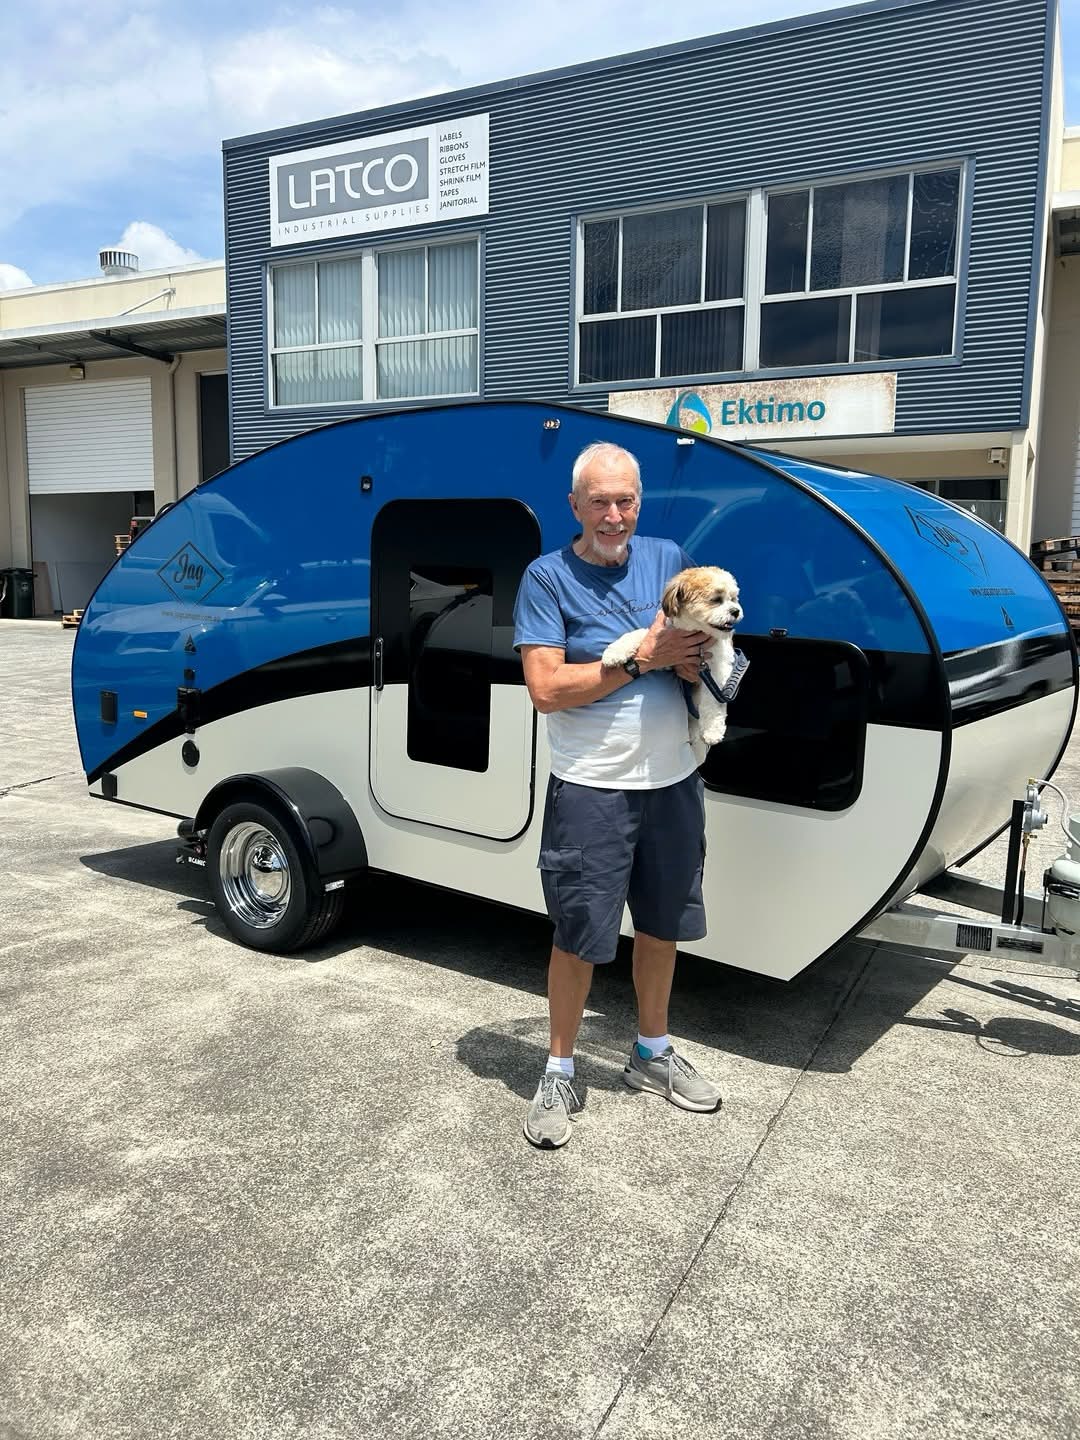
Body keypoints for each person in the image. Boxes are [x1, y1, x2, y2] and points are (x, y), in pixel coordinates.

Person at [513, 440, 724, 1150]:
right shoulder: (547, 579)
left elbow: (706, 640)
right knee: (578, 936)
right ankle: (561, 1067)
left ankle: (651, 1054)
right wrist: (643, 659)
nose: (613, 514)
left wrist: (699, 667)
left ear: (640, 502)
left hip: (672, 784)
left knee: (661, 926)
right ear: (574, 505)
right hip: (592, 788)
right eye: (599, 501)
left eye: (625, 500)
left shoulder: (669, 559)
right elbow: (546, 688)